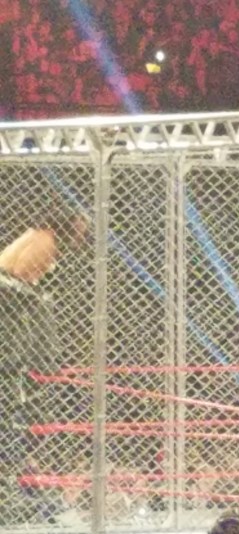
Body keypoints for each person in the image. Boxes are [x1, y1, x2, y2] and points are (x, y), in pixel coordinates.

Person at [0, 204, 88, 521]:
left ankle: (42, 363)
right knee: (43, 309)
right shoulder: (46, 239)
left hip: (12, 290)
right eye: (79, 228)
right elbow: (19, 275)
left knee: (42, 308)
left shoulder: (44, 238)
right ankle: (46, 363)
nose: (81, 236)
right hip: (7, 288)